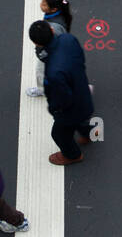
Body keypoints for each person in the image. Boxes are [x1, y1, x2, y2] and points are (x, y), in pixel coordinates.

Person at [29, 19, 94, 165]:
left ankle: (73, 155)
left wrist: (54, 111)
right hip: (83, 93)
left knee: (59, 134)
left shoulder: (53, 71)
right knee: (82, 121)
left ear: (37, 44)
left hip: (70, 109)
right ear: (52, 30)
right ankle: (89, 134)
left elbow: (61, 99)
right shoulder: (68, 39)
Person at [26, 0, 72, 98]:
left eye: (44, 4)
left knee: (41, 73)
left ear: (53, 8)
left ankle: (43, 89)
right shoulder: (59, 15)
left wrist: (41, 53)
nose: (41, 4)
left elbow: (51, 46)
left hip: (50, 56)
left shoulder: (54, 27)